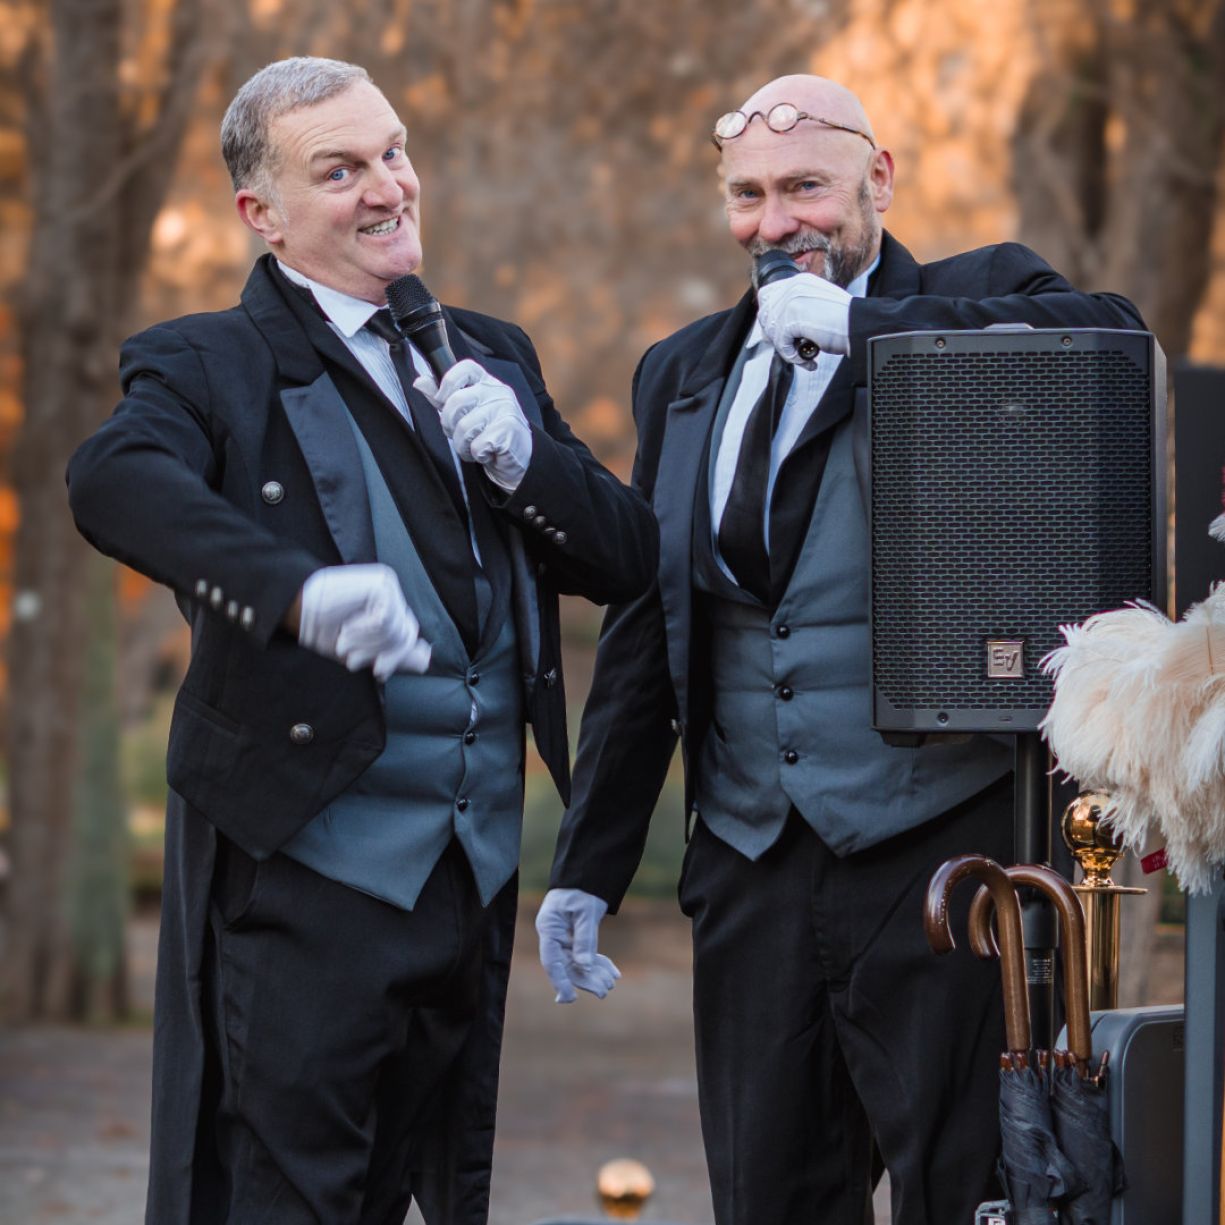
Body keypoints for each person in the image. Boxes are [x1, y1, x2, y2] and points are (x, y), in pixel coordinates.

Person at [535, 73, 1145, 1225]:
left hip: (940, 854)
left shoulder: (975, 291)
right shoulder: (681, 369)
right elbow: (650, 625)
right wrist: (587, 863)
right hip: (751, 862)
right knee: (767, 1197)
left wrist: (870, 333)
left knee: (962, 1193)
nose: (776, 223)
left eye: (805, 187)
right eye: (748, 195)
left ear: (879, 179)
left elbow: (1111, 347)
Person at [67, 56, 656, 1225]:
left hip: (467, 879)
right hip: (302, 879)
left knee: (421, 1195)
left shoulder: (489, 349)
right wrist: (291, 592)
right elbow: (109, 478)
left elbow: (628, 560)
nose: (388, 186)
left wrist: (528, 462)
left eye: (392, 152)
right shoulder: (206, 362)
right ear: (263, 213)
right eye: (339, 171)